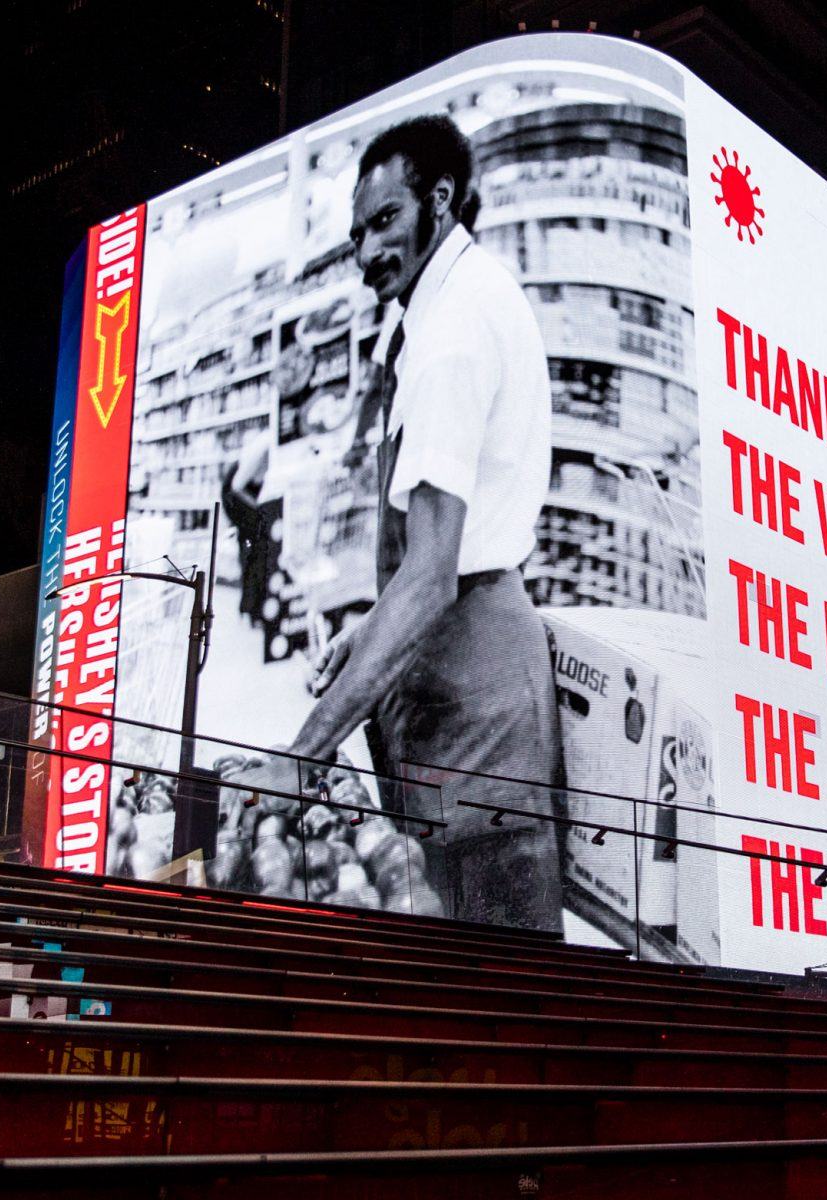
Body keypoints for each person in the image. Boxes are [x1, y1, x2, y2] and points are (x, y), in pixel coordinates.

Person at [235, 114, 563, 932]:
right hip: (458, 665)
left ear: (440, 202)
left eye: (385, 221)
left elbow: (431, 575)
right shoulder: (451, 302)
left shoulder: (450, 332)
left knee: (501, 984)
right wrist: (374, 626)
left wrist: (302, 752)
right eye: (356, 236)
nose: (368, 252)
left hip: (474, 697)